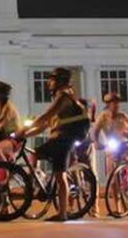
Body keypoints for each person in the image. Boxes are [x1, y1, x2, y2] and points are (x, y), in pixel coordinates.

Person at [16, 67, 90, 222]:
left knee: (59, 173)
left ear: (60, 81)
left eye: (51, 80)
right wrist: (24, 135)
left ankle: (62, 213)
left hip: (66, 138)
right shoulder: (61, 97)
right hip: (59, 138)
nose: (48, 83)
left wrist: (24, 129)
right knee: (42, 158)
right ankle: (39, 183)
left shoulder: (64, 96)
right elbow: (44, 126)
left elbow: (45, 116)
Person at [91, 92, 128, 175]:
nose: (116, 105)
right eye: (113, 103)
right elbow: (95, 131)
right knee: (112, 171)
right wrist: (96, 142)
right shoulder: (103, 117)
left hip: (123, 144)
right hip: (111, 146)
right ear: (108, 105)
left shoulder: (123, 116)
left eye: (117, 103)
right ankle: (113, 184)